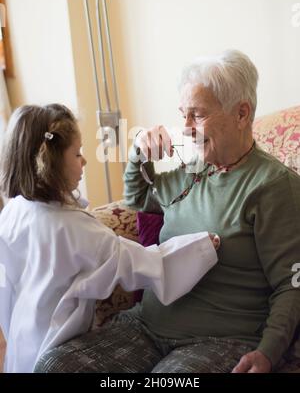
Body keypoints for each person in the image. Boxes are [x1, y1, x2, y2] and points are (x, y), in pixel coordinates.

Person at [34, 50, 300, 374]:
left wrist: (268, 352)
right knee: (55, 365)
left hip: (220, 339)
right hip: (145, 326)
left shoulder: (273, 186)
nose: (185, 127)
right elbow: (137, 198)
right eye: (182, 114)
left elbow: (291, 283)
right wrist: (138, 153)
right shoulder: (191, 170)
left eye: (197, 115)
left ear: (241, 114)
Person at [0, 104, 220, 373]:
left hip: (20, 345)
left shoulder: (12, 212)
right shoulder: (72, 227)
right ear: (51, 160)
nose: (84, 161)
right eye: (78, 153)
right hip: (56, 347)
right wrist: (200, 248)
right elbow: (139, 263)